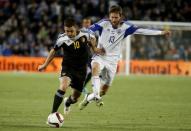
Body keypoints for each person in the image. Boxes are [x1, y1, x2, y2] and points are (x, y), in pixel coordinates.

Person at [79, 5, 171, 109]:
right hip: (100, 56)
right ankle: (96, 96)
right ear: (109, 16)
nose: (113, 20)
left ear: (121, 17)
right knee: (95, 67)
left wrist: (161, 32)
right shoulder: (104, 23)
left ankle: (88, 98)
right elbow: (89, 31)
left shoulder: (127, 27)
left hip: (113, 61)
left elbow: (143, 31)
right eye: (112, 17)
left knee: (103, 91)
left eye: (116, 17)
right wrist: (94, 47)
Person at [38, 18, 105, 118]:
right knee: (63, 87)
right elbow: (53, 51)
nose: (69, 33)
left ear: (76, 28)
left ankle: (67, 102)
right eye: (66, 31)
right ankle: (52, 114)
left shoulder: (85, 34)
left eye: (71, 31)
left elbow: (93, 39)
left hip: (81, 70)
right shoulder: (62, 38)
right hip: (68, 67)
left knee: (75, 98)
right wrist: (45, 64)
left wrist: (94, 48)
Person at [81, 17, 93, 94]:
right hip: (81, 54)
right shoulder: (80, 32)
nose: (87, 24)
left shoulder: (93, 31)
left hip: (89, 54)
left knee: (91, 71)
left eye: (88, 22)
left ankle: (82, 86)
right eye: (85, 22)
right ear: (83, 23)